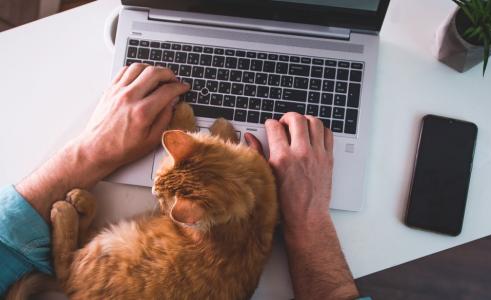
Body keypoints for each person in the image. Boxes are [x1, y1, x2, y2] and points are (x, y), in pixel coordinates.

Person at [0, 64, 365, 299]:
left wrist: (90, 153)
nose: (163, 201)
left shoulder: (208, 215)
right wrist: (310, 220)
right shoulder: (237, 204)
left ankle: (68, 263)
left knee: (111, 259)